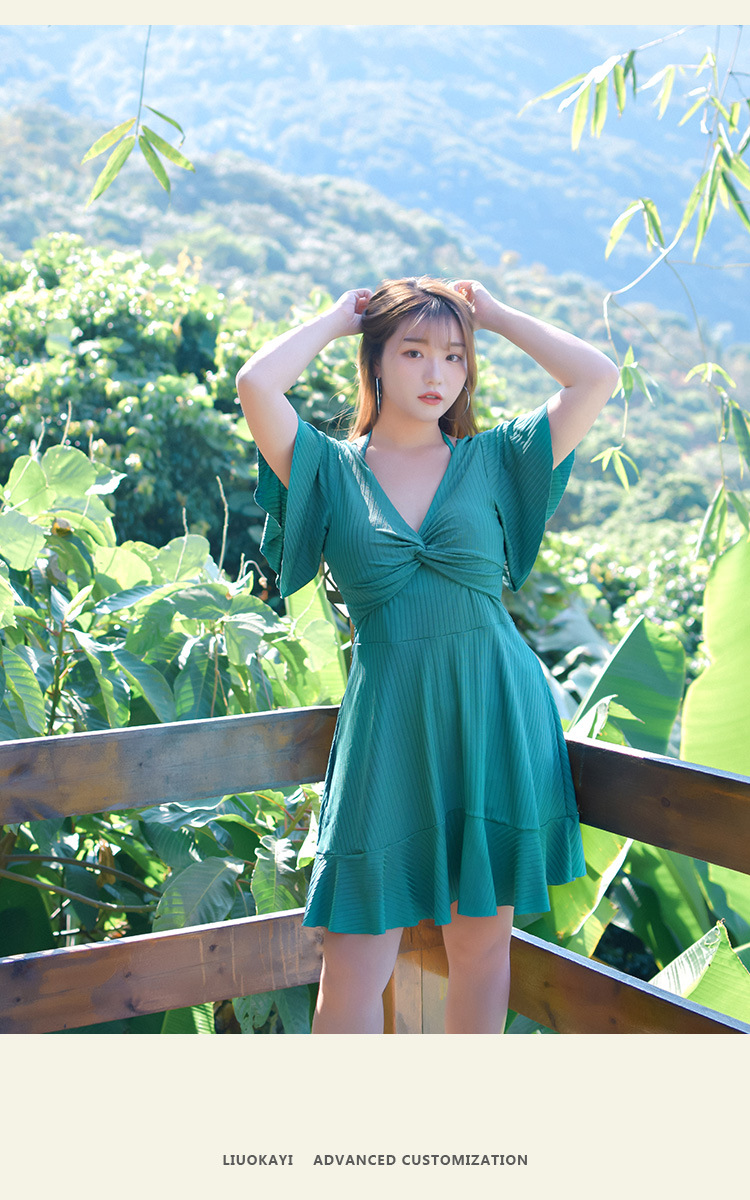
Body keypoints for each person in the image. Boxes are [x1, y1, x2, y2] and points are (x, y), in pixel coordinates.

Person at [236, 276, 619, 1034]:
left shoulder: (496, 459)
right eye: (413, 352)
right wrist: (337, 320)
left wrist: (496, 316)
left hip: (493, 712)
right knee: (352, 964)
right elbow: (256, 384)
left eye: (453, 355)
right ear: (376, 360)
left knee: (480, 950)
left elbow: (596, 377)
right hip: (388, 730)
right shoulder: (328, 468)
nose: (437, 373)